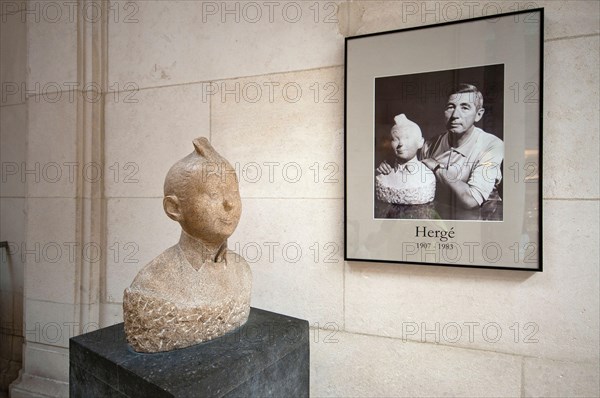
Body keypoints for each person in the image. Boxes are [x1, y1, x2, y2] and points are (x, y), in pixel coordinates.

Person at [123, 137, 252, 352]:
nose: (229, 203)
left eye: (233, 193)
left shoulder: (243, 271)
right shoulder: (152, 286)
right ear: (174, 208)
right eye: (213, 194)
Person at [378, 84, 504, 209]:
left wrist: (437, 167)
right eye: (450, 107)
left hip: (482, 218)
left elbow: (471, 200)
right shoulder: (430, 145)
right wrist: (389, 166)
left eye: (465, 107)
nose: (455, 115)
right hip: (440, 216)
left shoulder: (492, 145)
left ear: (478, 114)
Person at [375, 114, 435, 205]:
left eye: (407, 138)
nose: (401, 143)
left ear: (420, 142)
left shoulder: (427, 177)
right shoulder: (382, 175)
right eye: (395, 139)